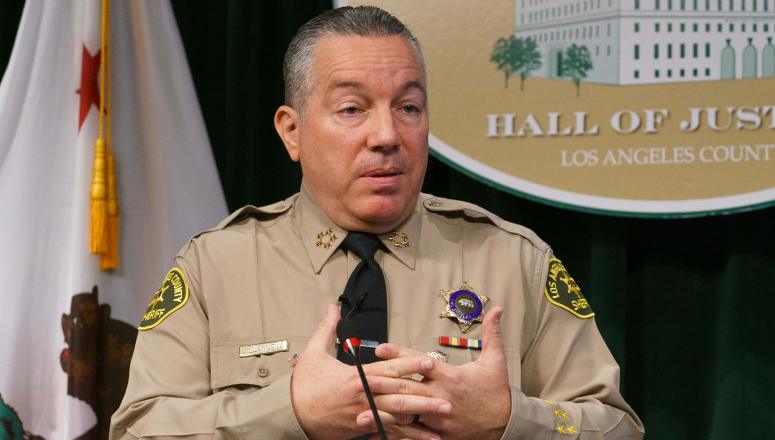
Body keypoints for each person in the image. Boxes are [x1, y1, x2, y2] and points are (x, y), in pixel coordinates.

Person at [110, 6, 644, 440]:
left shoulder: (514, 261)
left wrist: (509, 420)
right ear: (292, 131)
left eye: (408, 107)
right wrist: (289, 412)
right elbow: (138, 431)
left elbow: (617, 427)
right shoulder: (215, 266)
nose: (387, 135)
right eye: (352, 109)